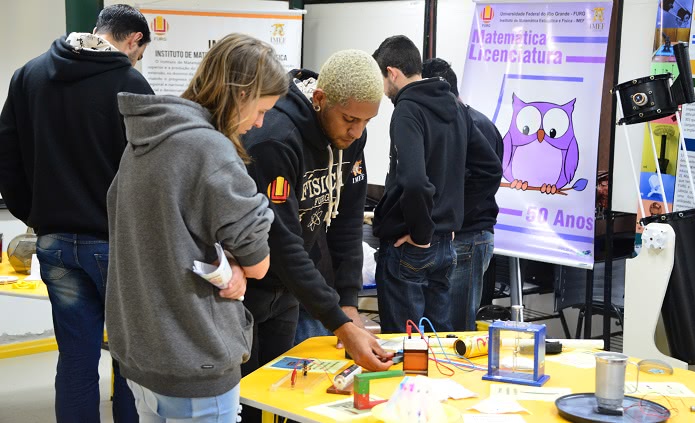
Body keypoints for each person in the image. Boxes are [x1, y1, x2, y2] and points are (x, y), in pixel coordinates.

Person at [105, 33, 285, 422]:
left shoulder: (144, 139)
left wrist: (230, 262)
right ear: (241, 94)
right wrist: (239, 264)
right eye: (260, 109)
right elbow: (259, 263)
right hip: (193, 356)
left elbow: (169, 234)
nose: (259, 123)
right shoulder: (209, 150)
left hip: (143, 352)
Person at [0, 4, 152, 421]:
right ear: (134, 39)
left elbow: (6, 159)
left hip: (53, 244)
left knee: (75, 361)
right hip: (115, 245)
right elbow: (150, 172)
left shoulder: (28, 75)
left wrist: (35, 214)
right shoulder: (130, 82)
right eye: (140, 52)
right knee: (129, 362)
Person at [239, 49, 393, 421]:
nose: (357, 132)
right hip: (247, 290)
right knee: (246, 401)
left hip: (289, 292)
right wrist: (338, 322)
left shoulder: (351, 136)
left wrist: (350, 302)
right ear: (320, 100)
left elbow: (347, 220)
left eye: (367, 122)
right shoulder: (276, 138)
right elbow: (282, 241)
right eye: (350, 120)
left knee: (283, 399)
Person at [372, 35, 503, 333]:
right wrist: (450, 215)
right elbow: (490, 169)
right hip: (446, 245)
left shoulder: (407, 109)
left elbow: (415, 182)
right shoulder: (457, 108)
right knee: (439, 344)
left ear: (392, 73)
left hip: (412, 245)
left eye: (382, 79)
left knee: (405, 347)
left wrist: (422, 233)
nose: (382, 91)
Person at [422, 58, 503, 331]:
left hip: (469, 236)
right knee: (442, 323)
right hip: (459, 236)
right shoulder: (465, 121)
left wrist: (453, 217)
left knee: (457, 328)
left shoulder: (472, 124)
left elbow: (487, 177)